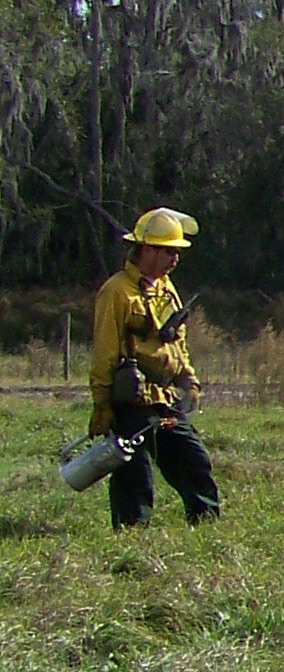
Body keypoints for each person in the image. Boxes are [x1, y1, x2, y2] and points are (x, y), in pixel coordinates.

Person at [90, 207, 221, 530]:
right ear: (145, 249)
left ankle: (206, 526)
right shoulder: (116, 292)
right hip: (132, 400)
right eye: (167, 251)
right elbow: (105, 352)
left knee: (194, 462)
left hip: (166, 397)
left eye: (177, 252)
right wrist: (103, 404)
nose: (174, 259)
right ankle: (132, 534)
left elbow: (177, 341)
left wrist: (189, 380)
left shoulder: (167, 289)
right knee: (135, 475)